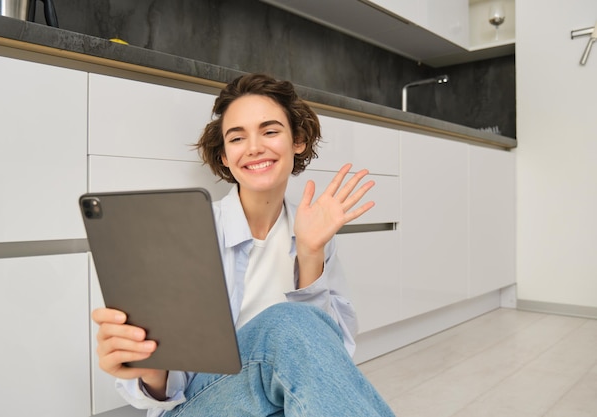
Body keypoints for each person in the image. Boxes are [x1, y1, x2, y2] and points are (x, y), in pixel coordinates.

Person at [92, 73, 396, 417]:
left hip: (274, 403)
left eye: (269, 131)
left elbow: (327, 364)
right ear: (224, 156)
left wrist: (311, 255)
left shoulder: (313, 229)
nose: (254, 147)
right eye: (237, 138)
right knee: (286, 323)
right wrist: (147, 363)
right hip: (197, 406)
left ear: (297, 140)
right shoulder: (191, 230)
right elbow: (164, 390)